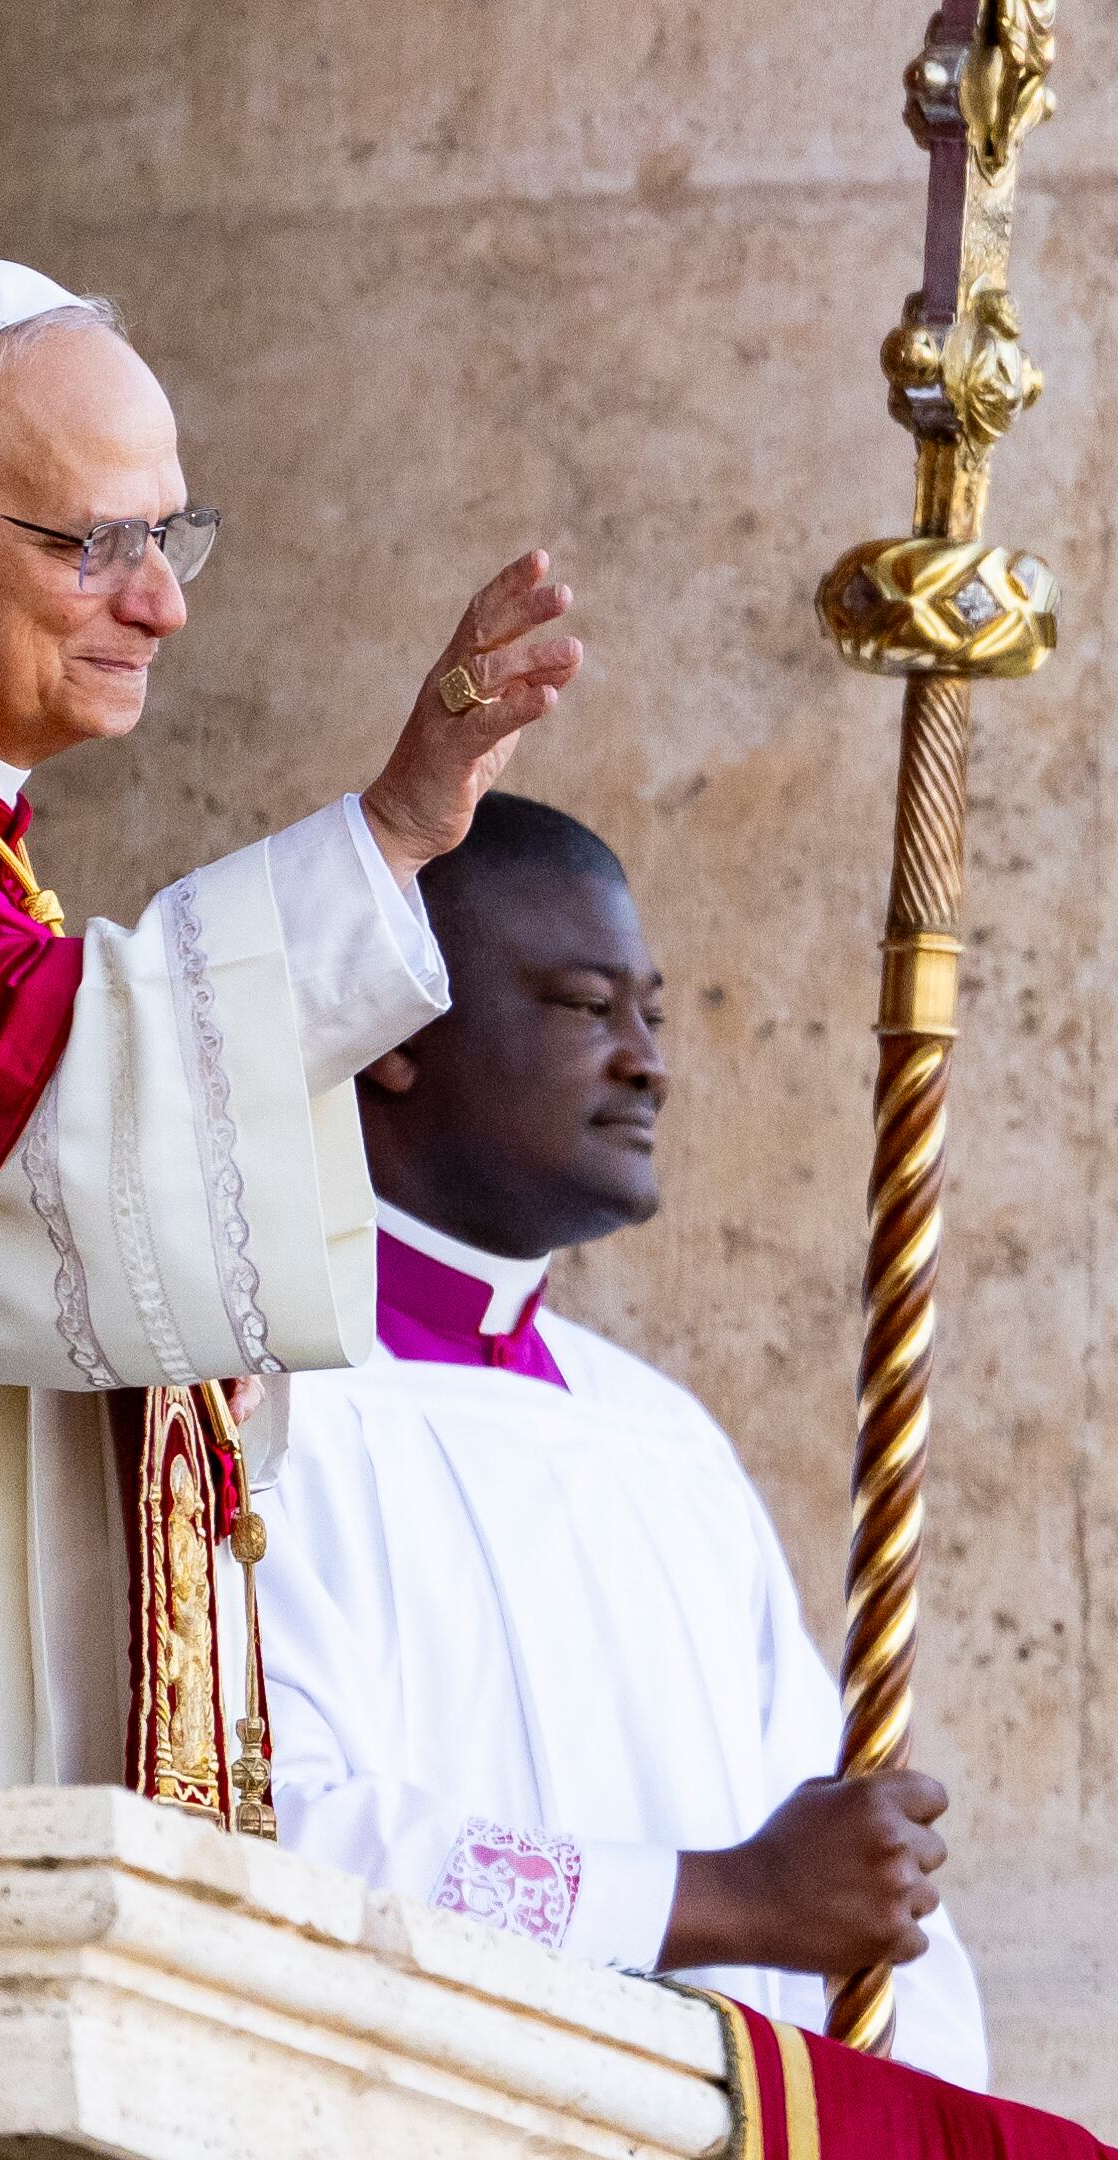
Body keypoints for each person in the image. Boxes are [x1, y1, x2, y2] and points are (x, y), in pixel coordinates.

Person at [0, 254, 586, 1804]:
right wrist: (386, 840)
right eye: (95, 543)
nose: (158, 602)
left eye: (169, 540)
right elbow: (30, 1097)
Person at [255, 791, 990, 2085]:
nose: (649, 1058)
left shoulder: (662, 1441)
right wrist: (727, 1896)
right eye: (587, 1008)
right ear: (391, 1035)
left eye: (651, 1011)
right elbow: (270, 1835)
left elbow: (853, 1873)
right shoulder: (255, 1408)